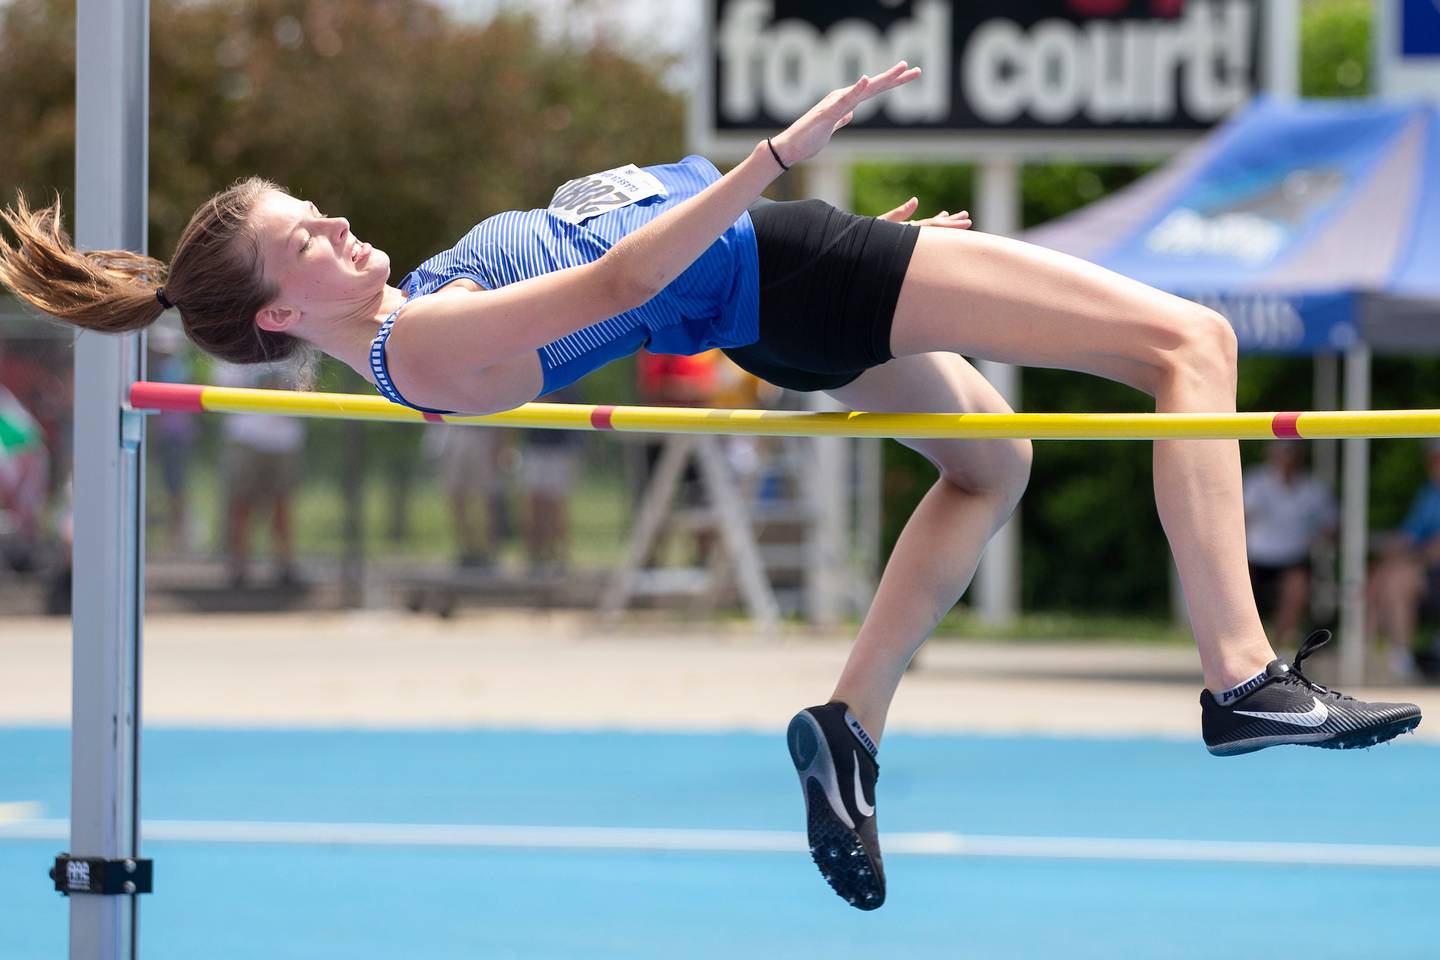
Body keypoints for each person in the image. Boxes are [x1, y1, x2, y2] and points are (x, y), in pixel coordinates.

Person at [0, 61, 1422, 911]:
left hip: (780, 294)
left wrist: (870, 258)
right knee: (1194, 341)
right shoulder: (419, 344)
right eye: (309, 234)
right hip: (776, 268)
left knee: (995, 459)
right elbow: (622, 277)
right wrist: (787, 160)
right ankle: (1240, 676)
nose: (341, 223)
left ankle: (846, 724)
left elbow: (614, 263)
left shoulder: (410, 314)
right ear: (270, 320)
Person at [212, 361, 305, 589]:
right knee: (241, 503)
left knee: (282, 505)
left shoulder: (298, 337)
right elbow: (225, 386)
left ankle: (284, 565)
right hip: (245, 437)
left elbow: (306, 385)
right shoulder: (234, 338)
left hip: (284, 440)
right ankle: (238, 566)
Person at [1242, 440, 1337, 649]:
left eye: (1290, 451)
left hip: (1293, 559)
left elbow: (1330, 526)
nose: (1286, 457)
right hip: (1254, 557)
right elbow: (1241, 519)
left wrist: (1319, 537)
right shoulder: (1256, 481)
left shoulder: (1314, 488)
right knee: (1236, 586)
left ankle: (1278, 646)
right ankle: (1244, 643)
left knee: (1297, 589)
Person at [1368, 439, 1440, 680]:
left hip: (1430, 570)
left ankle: (1396, 654)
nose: (1435, 465)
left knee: (1397, 579)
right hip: (1426, 569)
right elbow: (1410, 538)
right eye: (1433, 459)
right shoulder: (1429, 492)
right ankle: (1374, 652)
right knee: (1379, 576)